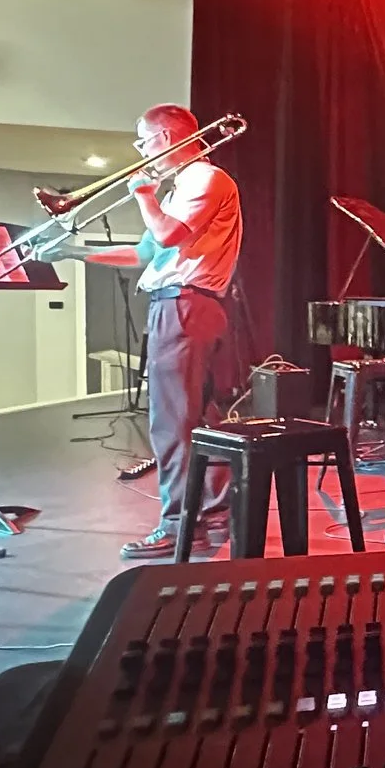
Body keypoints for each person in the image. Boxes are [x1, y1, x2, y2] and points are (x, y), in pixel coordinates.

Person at [75, 105, 244, 558]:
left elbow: (167, 236)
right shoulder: (181, 188)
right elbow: (144, 253)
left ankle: (176, 524)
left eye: (143, 141)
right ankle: (210, 519)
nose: (141, 151)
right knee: (201, 420)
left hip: (185, 306)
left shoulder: (204, 180)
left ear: (167, 137)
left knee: (171, 423)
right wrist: (73, 254)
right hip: (185, 306)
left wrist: (143, 195)